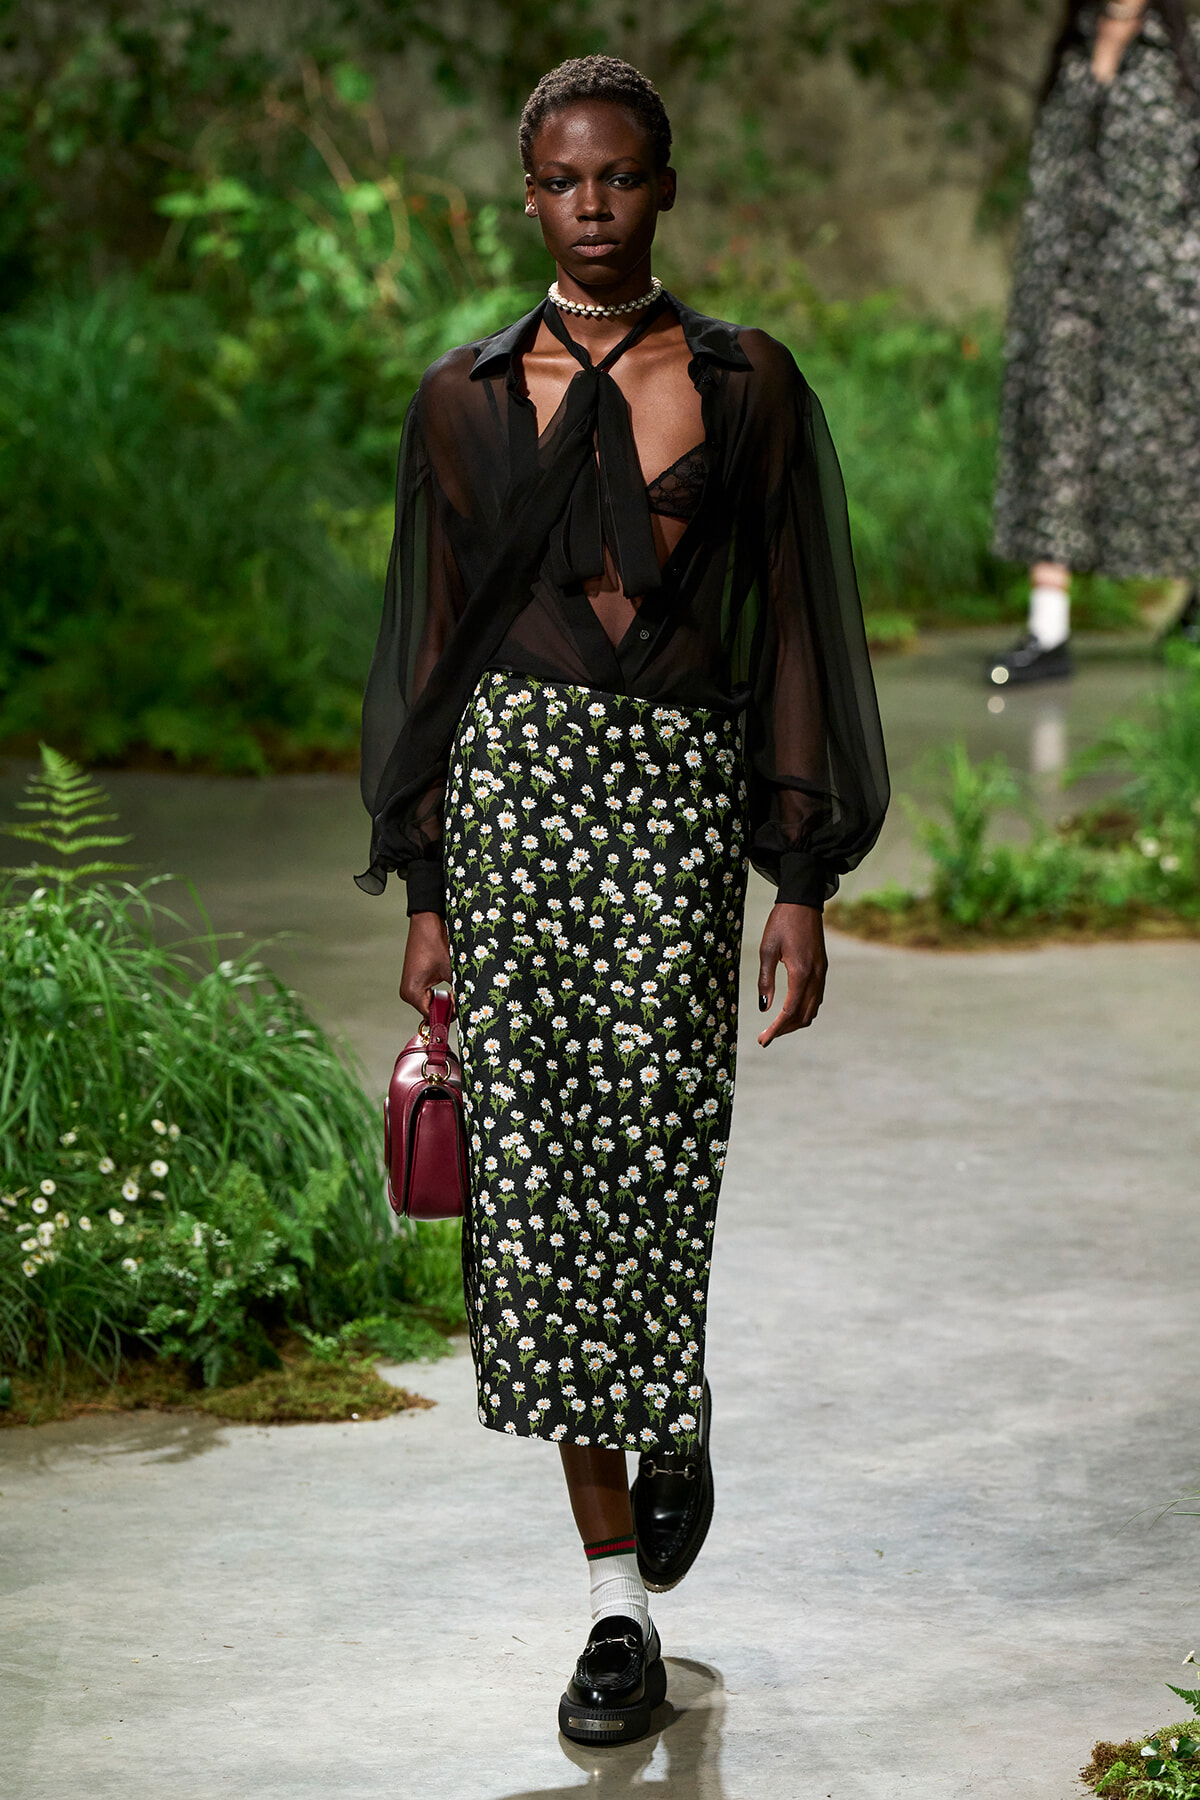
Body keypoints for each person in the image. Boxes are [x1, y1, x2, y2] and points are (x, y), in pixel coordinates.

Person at [356, 55, 888, 1745]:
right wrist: (428, 889)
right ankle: (615, 1610)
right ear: (529, 197)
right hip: (511, 802)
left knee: (657, 1165)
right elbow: (429, 654)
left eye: (622, 177)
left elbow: (792, 625)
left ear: (665, 186)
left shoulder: (744, 383)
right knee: (536, 1201)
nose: (592, 207)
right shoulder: (461, 397)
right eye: (563, 181)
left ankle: (672, 1413)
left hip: (673, 805)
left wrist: (797, 877)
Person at [990, 0, 1200, 688]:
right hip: (1065, 288)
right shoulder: (1074, 49)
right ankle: (1048, 629)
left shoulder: (1187, 48)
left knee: (1181, 440)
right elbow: (1050, 180)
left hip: (1166, 291)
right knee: (1056, 438)